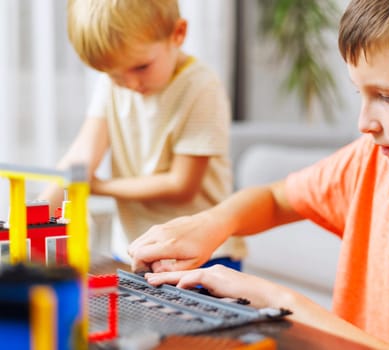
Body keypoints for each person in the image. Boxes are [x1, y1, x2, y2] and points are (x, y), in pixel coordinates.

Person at [128, 0, 389, 349]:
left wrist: (282, 306)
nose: (364, 122)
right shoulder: (373, 160)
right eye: (360, 93)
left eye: (388, 97)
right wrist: (211, 223)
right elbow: (277, 198)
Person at [39, 0, 246, 269]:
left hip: (203, 254)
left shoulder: (201, 86)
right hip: (133, 250)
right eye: (114, 75)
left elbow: (181, 185)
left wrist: (98, 187)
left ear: (178, 34)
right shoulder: (113, 85)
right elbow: (81, 157)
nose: (131, 84)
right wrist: (29, 218)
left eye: (141, 68)